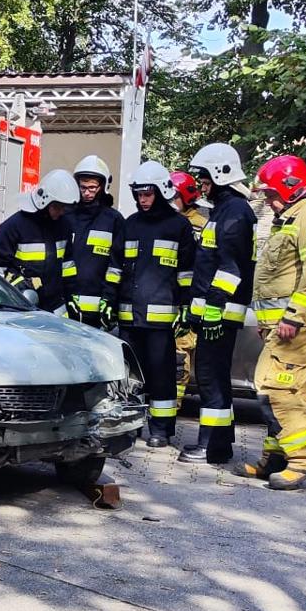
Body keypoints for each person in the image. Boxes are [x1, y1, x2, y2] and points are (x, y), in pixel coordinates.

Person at [239, 155, 306, 490]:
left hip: (303, 324)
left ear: (291, 186)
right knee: (289, 393)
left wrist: (294, 316)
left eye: (271, 194)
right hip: (290, 325)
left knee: (273, 388)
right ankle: (278, 459)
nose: (268, 201)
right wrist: (270, 320)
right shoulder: (292, 217)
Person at [179, 143, 256, 466]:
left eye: (206, 179)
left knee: (211, 380)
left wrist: (212, 308)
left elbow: (230, 269)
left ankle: (209, 446)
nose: (203, 186)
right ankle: (220, 445)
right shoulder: (226, 211)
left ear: (221, 175)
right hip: (215, 313)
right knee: (216, 379)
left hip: (220, 315)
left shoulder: (234, 213)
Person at [112, 162, 192, 449]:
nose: (143, 199)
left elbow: (186, 272)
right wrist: (110, 298)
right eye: (139, 194)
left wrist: (185, 305)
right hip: (128, 316)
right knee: (130, 377)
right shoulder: (129, 224)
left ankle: (161, 429)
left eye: (148, 194)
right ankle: (130, 425)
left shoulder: (179, 226)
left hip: (160, 319)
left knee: (162, 375)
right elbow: (116, 266)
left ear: (161, 192)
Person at [0, 170, 74, 313]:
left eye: (64, 207)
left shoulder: (64, 226)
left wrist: (71, 297)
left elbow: (68, 265)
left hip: (56, 309)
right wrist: (14, 287)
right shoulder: (14, 227)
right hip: (22, 308)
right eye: (57, 207)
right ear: (44, 201)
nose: (61, 212)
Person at [62, 156, 123, 327]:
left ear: (102, 187)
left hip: (98, 308)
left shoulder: (113, 220)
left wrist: (109, 298)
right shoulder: (66, 216)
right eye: (83, 187)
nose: (87, 193)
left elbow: (116, 265)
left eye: (92, 188)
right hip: (66, 305)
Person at [169, 170, 205, 403]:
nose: (170, 202)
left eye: (174, 197)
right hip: (167, 298)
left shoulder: (198, 226)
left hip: (187, 300)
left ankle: (173, 407)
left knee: (179, 356)